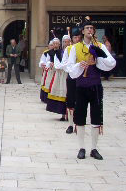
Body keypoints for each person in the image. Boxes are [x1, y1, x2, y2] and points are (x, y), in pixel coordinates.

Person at [67, 17, 116, 160]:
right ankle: (81, 147)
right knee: (80, 117)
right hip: (81, 87)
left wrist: (98, 60)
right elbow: (70, 70)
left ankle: (94, 148)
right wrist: (79, 65)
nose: (90, 30)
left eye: (91, 28)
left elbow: (111, 63)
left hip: (95, 87)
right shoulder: (75, 48)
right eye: (87, 28)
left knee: (96, 117)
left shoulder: (99, 46)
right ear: (82, 31)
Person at [63, 26, 82, 134]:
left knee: (81, 101)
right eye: (75, 37)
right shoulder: (68, 49)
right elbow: (65, 63)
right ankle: (70, 124)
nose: (77, 39)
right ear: (72, 39)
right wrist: (73, 68)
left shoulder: (85, 48)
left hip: (82, 78)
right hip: (71, 77)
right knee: (70, 101)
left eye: (79, 37)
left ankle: (79, 123)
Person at [47, 35, 69, 121]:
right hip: (61, 75)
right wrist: (56, 66)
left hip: (69, 74)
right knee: (62, 94)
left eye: (67, 41)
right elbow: (56, 63)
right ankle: (63, 114)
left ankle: (70, 115)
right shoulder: (58, 52)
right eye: (64, 42)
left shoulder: (72, 50)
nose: (66, 43)